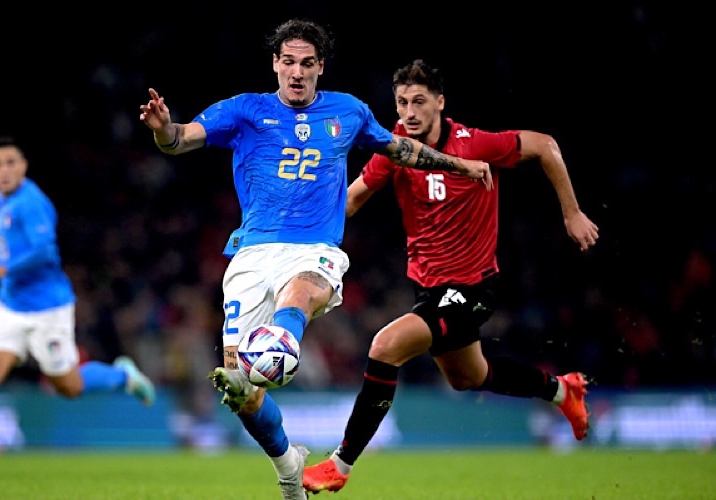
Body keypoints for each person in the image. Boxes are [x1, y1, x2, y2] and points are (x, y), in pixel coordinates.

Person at [138, 20, 491, 500]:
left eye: (307, 63)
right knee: (240, 389)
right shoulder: (245, 110)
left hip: (315, 249)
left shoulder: (348, 111)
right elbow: (181, 138)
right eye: (289, 62)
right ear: (275, 64)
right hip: (252, 255)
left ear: (321, 67)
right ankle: (289, 465)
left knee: (301, 290)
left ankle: (283, 339)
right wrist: (163, 129)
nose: (297, 72)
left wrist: (459, 164)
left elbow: (402, 150)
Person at [303, 59, 600, 494]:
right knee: (468, 377)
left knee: (385, 347)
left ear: (440, 103)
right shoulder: (397, 148)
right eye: (402, 102)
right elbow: (350, 202)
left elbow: (545, 145)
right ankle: (563, 391)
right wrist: (297, 224)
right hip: (430, 289)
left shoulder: (475, 144)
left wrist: (571, 213)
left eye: (419, 101)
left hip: (473, 287)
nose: (409, 112)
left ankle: (340, 464)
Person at [0, 136, 156, 477]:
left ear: (23, 166)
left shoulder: (32, 202)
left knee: (69, 386)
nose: (4, 170)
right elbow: (12, 254)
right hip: (10, 305)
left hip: (48, 310)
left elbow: (44, 252)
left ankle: (124, 376)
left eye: (11, 163)